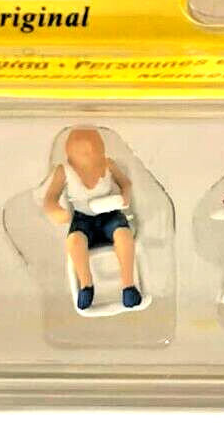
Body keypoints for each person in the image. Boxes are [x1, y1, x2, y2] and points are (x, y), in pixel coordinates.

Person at [42, 128, 141, 311]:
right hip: (83, 219)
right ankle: (86, 285)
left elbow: (125, 183)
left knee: (124, 236)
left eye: (91, 151)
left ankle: (128, 286)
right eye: (81, 153)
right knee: (74, 242)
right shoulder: (64, 171)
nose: (88, 157)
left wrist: (125, 197)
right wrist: (59, 213)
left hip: (109, 214)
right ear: (71, 153)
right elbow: (49, 200)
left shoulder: (108, 164)